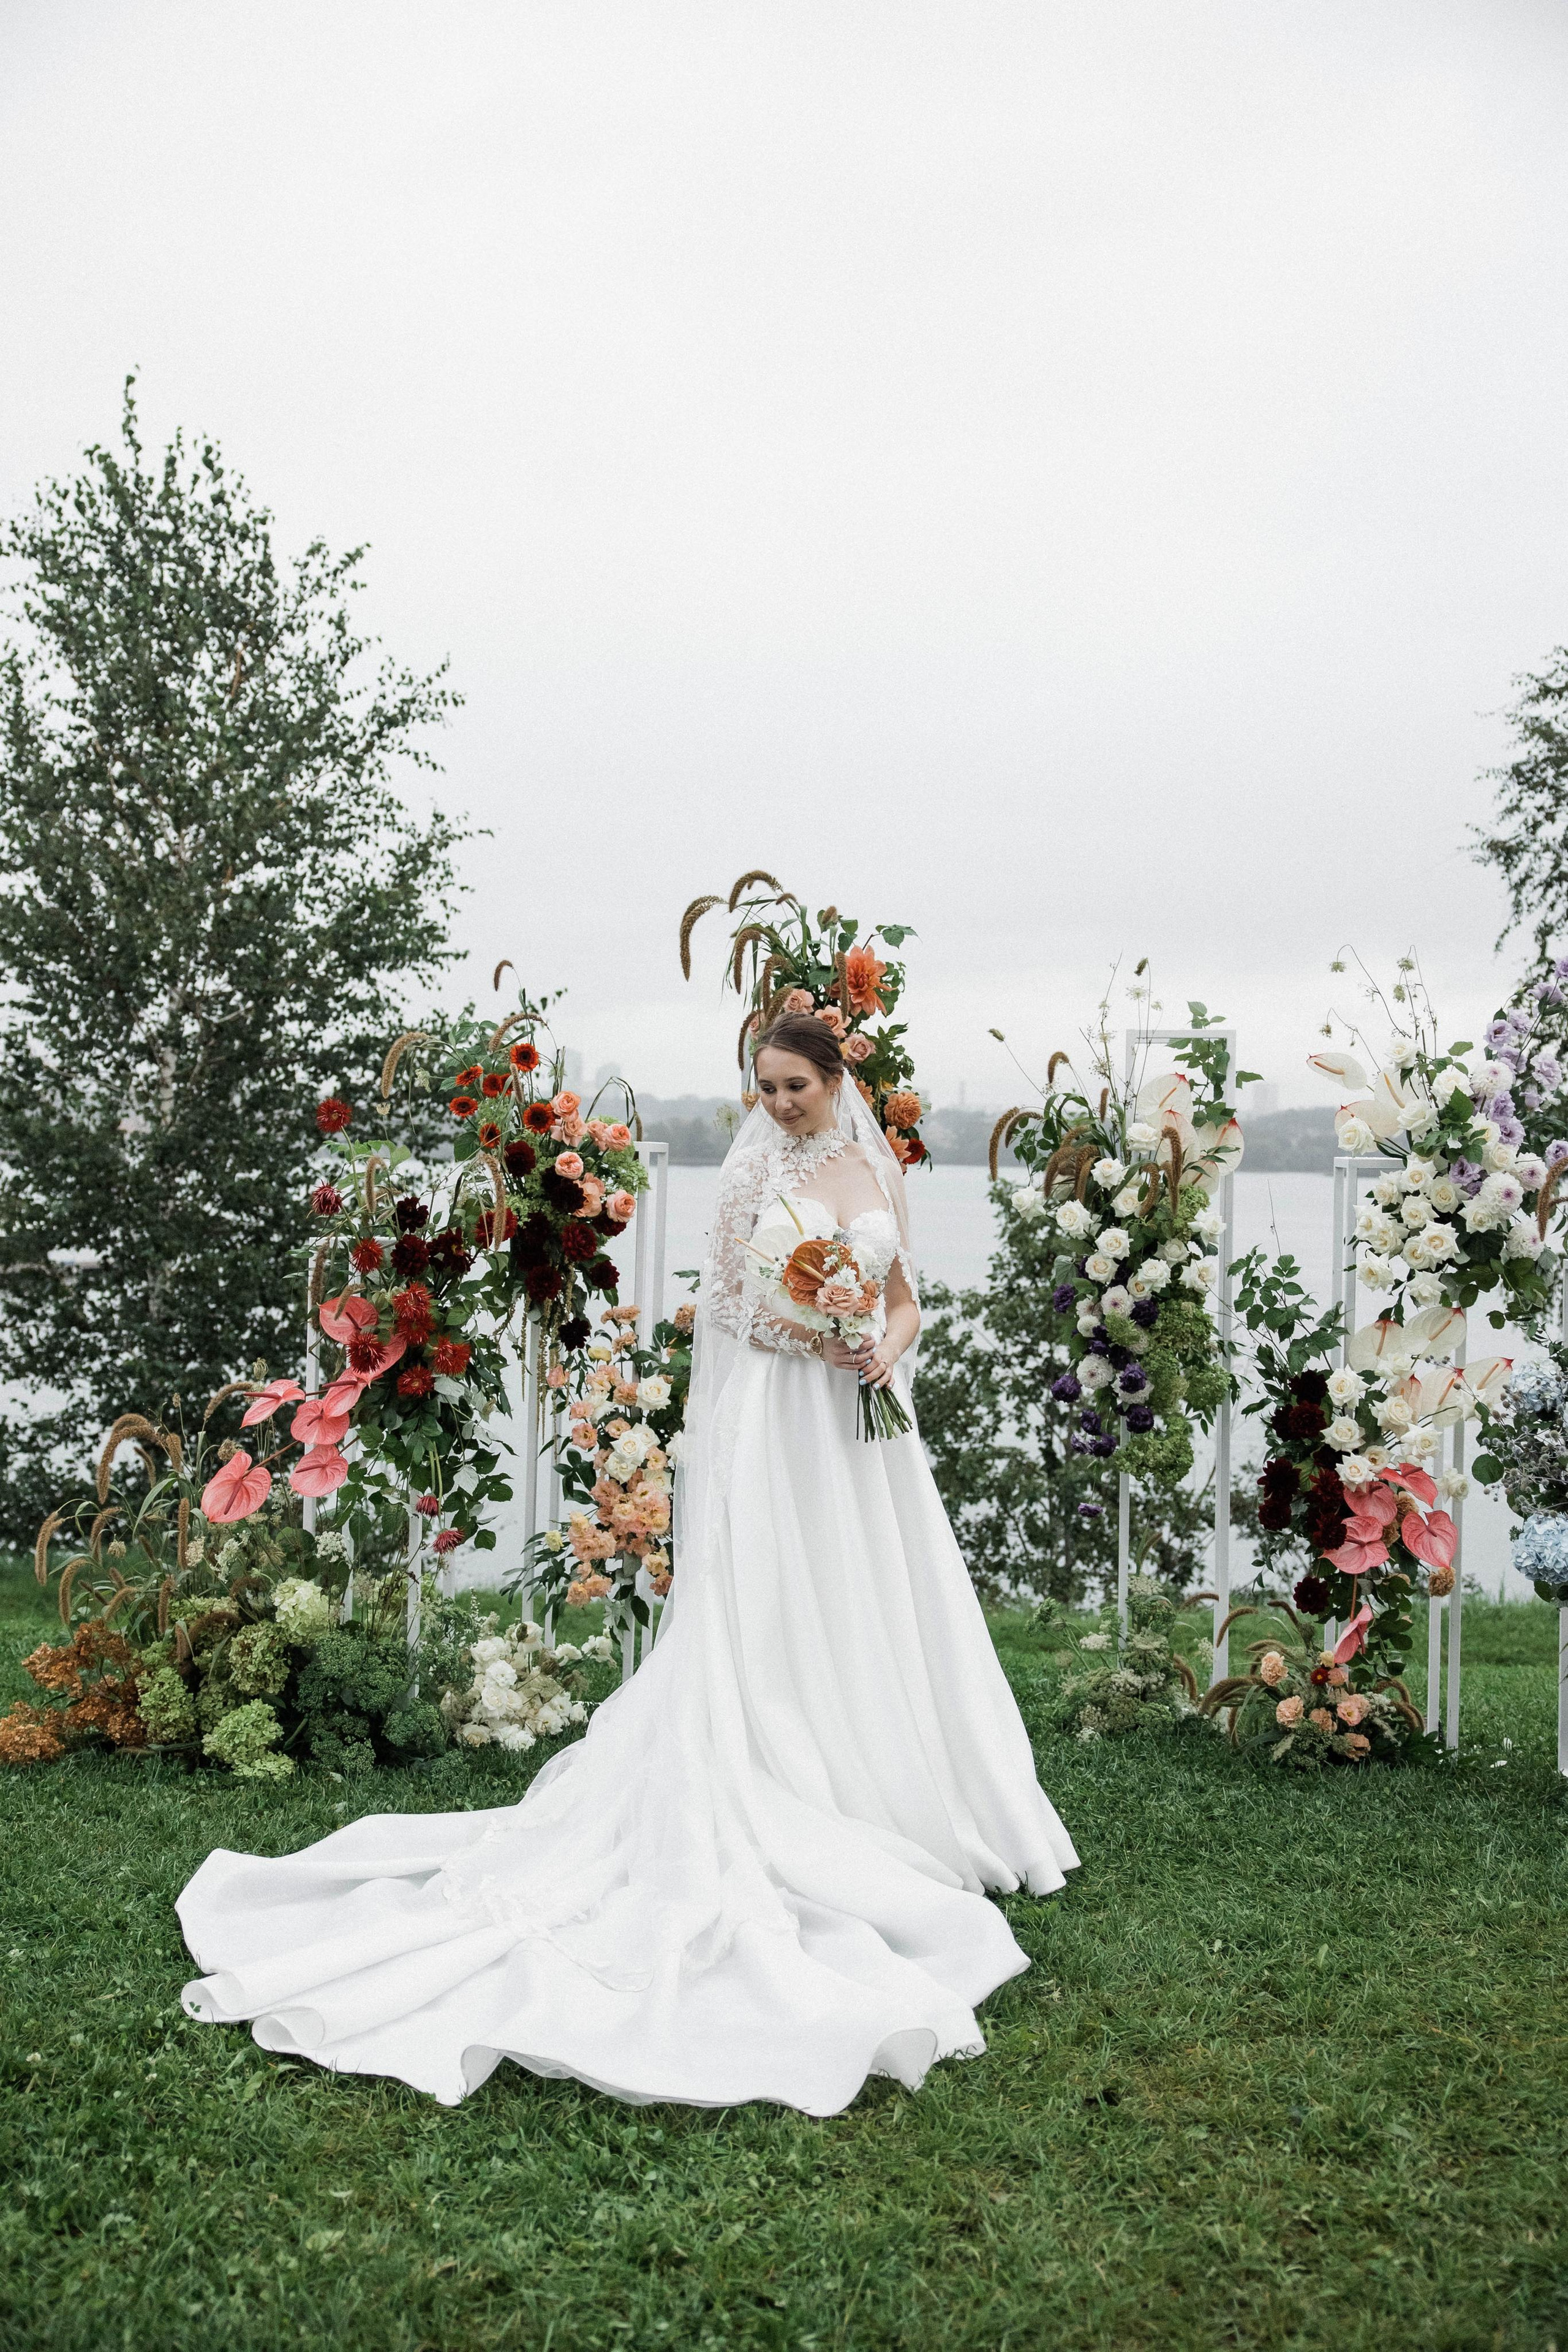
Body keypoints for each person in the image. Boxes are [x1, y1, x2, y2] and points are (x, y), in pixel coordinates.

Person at [177, 1013, 1079, 2114]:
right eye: (766, 1086)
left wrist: (874, 1345)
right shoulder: (754, 1173)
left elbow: (906, 1306)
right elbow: (738, 1309)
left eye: (796, 1085)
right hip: (777, 1410)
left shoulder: (871, 1171)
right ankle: (785, 1759)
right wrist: (815, 1331)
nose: (779, 1104)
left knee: (872, 1597)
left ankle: (895, 1787)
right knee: (771, 1601)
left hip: (861, 1420)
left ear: (838, 1080)